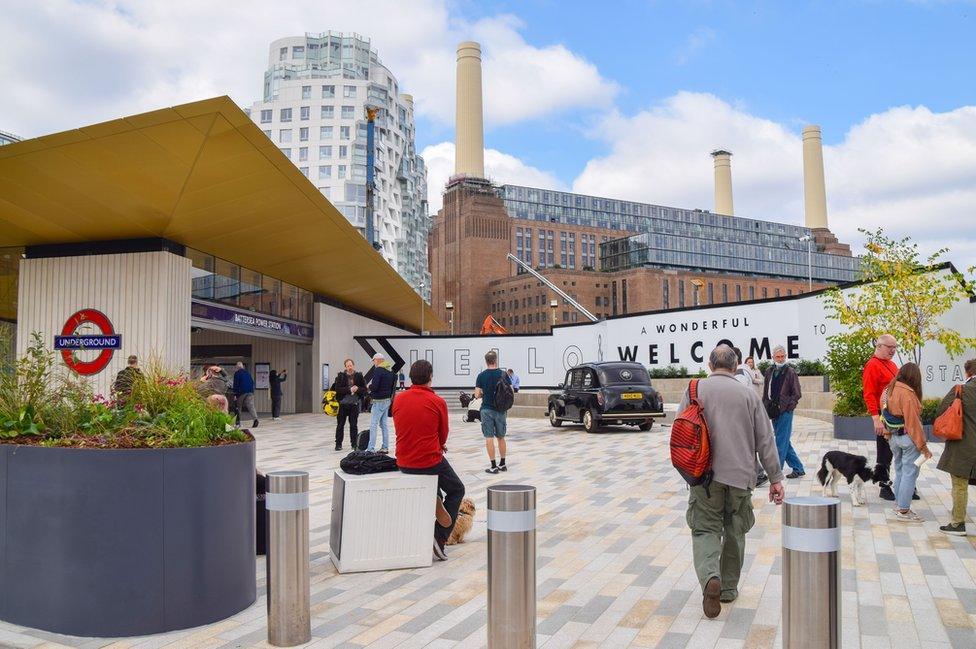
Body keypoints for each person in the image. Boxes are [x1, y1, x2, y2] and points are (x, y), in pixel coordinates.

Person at [678, 345, 785, 618]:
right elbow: (765, 440)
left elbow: (681, 434)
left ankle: (709, 577)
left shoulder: (694, 390)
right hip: (740, 477)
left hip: (703, 476)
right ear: (736, 365)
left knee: (704, 529)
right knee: (735, 531)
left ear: (709, 365)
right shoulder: (748, 395)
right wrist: (775, 478)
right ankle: (726, 589)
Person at [393, 359, 465, 562]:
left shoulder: (398, 399)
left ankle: (436, 497)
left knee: (433, 484)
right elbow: (443, 435)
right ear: (430, 378)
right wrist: (439, 443)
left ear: (410, 378)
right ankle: (439, 536)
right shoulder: (438, 402)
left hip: (404, 461)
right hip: (429, 460)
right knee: (457, 489)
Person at [882, 362, 931, 522]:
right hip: (908, 439)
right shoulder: (908, 394)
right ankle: (904, 510)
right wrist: (923, 447)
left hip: (893, 438)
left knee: (900, 470)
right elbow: (913, 423)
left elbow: (883, 413)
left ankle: (899, 505)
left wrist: (887, 434)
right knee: (910, 473)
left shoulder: (889, 389)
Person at [936, 359, 976, 536]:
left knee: (960, 483)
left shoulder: (961, 390)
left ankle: (958, 523)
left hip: (963, 444)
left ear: (968, 372)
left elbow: (941, 411)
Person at [863, 334, 901, 501]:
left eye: (895, 347)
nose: (893, 351)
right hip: (884, 416)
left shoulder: (892, 365)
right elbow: (869, 394)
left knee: (897, 451)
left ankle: (904, 484)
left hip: (897, 416)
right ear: (879, 346)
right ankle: (884, 486)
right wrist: (876, 419)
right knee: (884, 453)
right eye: (889, 347)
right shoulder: (872, 365)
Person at [763, 345, 805, 478]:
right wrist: (765, 407)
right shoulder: (769, 371)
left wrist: (788, 407)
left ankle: (776, 471)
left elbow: (797, 393)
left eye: (782, 356)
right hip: (773, 410)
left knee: (780, 441)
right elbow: (765, 392)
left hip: (785, 411)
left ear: (785, 356)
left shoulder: (790, 371)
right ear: (773, 357)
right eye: (778, 357)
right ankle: (798, 468)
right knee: (784, 439)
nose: (780, 359)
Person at [732, 348, 769, 487]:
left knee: (745, 445)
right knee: (746, 445)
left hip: (743, 415)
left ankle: (759, 474)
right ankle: (758, 474)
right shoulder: (744, 371)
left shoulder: (740, 373)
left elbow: (738, 396)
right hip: (747, 413)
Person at [475, 351, 511, 474]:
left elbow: (477, 394)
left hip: (486, 409)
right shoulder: (503, 374)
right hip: (500, 410)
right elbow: (510, 390)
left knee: (489, 437)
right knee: (501, 437)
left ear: (486, 361)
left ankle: (493, 466)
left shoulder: (481, 376)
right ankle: (503, 464)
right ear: (496, 360)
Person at [331, 359, 366, 451]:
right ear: (345, 367)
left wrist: (357, 389)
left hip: (354, 404)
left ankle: (354, 444)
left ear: (353, 365)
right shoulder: (341, 376)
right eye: (348, 366)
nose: (349, 367)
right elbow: (338, 389)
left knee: (354, 425)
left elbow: (364, 389)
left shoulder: (359, 376)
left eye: (351, 365)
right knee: (340, 424)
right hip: (342, 404)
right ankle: (338, 444)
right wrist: (349, 389)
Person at [365, 352, 396, 453]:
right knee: (384, 425)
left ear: (377, 360)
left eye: (373, 360)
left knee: (373, 424)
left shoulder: (378, 370)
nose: (373, 362)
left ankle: (371, 448)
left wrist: (369, 387)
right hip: (387, 400)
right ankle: (385, 447)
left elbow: (375, 387)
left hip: (378, 401)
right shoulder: (389, 370)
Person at [233, 361, 259, 429]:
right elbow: (252, 382)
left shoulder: (237, 373)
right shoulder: (248, 373)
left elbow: (236, 384)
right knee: (251, 406)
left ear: (237, 367)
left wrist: (235, 393)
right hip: (250, 392)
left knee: (238, 407)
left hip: (241, 392)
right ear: (242, 367)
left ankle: (238, 423)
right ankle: (255, 419)